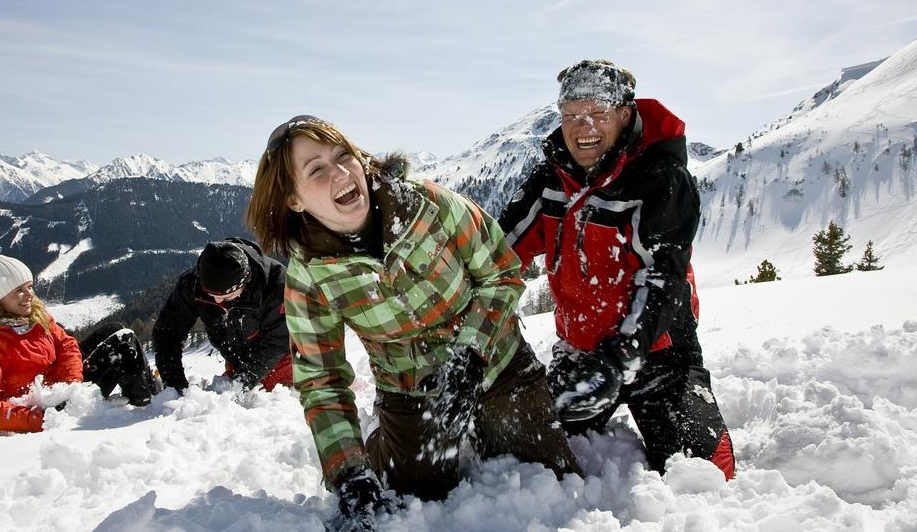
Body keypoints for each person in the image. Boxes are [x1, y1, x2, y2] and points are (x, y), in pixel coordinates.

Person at [248, 115, 580, 530]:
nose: (340, 173)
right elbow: (321, 379)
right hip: (410, 389)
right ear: (293, 199)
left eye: (343, 156)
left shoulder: (429, 205)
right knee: (416, 490)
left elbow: (501, 273)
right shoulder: (310, 275)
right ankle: (382, 441)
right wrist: (348, 472)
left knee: (550, 477)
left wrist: (471, 355)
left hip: (496, 364)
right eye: (316, 170)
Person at [499, 59, 735, 480]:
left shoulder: (662, 180)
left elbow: (663, 280)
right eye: (571, 115)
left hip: (661, 355)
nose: (582, 126)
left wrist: (618, 358)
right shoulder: (551, 179)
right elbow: (499, 251)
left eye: (597, 113)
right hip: (581, 352)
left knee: (705, 473)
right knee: (522, 452)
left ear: (624, 114)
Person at [0, 253, 159, 433]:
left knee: (114, 328)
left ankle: (151, 391)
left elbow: (67, 345)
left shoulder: (33, 315)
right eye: (19, 290)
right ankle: (147, 405)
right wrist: (39, 418)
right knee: (124, 341)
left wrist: (71, 384)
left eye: (29, 286)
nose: (29, 295)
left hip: (60, 387)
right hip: (45, 405)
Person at [152, 238, 291, 394]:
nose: (217, 301)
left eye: (227, 296)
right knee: (224, 400)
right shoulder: (193, 284)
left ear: (246, 281)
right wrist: (174, 385)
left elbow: (279, 341)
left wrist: (241, 383)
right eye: (210, 295)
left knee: (273, 402)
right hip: (236, 357)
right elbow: (168, 332)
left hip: (282, 358)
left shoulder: (276, 285)